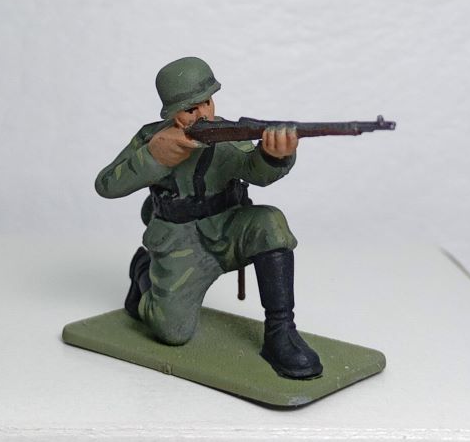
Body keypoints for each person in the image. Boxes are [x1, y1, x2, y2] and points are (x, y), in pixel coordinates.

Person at [95, 57, 322, 379]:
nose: (203, 114)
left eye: (207, 103)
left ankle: (281, 332)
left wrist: (273, 155)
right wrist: (152, 158)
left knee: (270, 221)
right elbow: (106, 185)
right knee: (172, 332)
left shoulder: (228, 134)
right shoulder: (152, 139)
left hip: (228, 229)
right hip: (179, 240)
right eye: (191, 109)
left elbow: (255, 172)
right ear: (171, 113)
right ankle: (143, 273)